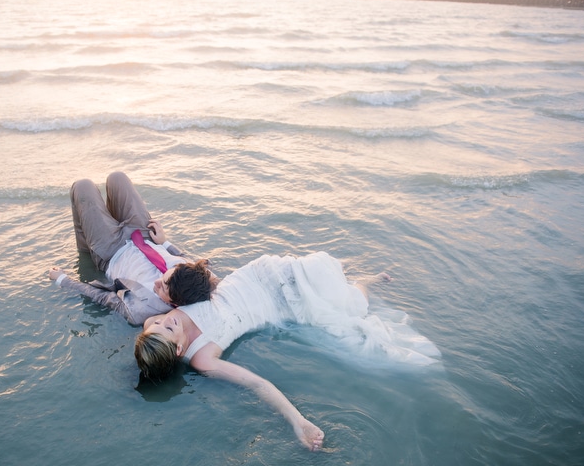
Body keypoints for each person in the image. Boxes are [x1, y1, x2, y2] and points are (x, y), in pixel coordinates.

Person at [135, 251, 441, 451]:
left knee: (323, 282)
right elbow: (258, 383)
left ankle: (348, 277)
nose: (166, 319)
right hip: (270, 305)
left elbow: (192, 286)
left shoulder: (157, 324)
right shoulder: (202, 359)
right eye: (168, 327)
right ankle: (365, 283)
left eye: (159, 323)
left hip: (258, 276)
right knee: (350, 307)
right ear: (178, 350)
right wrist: (298, 420)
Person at [48, 172, 215, 325]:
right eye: (165, 277)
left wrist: (63, 280)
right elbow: (184, 257)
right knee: (117, 178)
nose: (157, 282)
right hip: (145, 237)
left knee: (82, 186)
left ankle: (86, 249)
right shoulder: (200, 278)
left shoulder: (141, 310)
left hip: (112, 252)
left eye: (163, 288)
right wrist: (165, 242)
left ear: (176, 303)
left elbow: (102, 297)